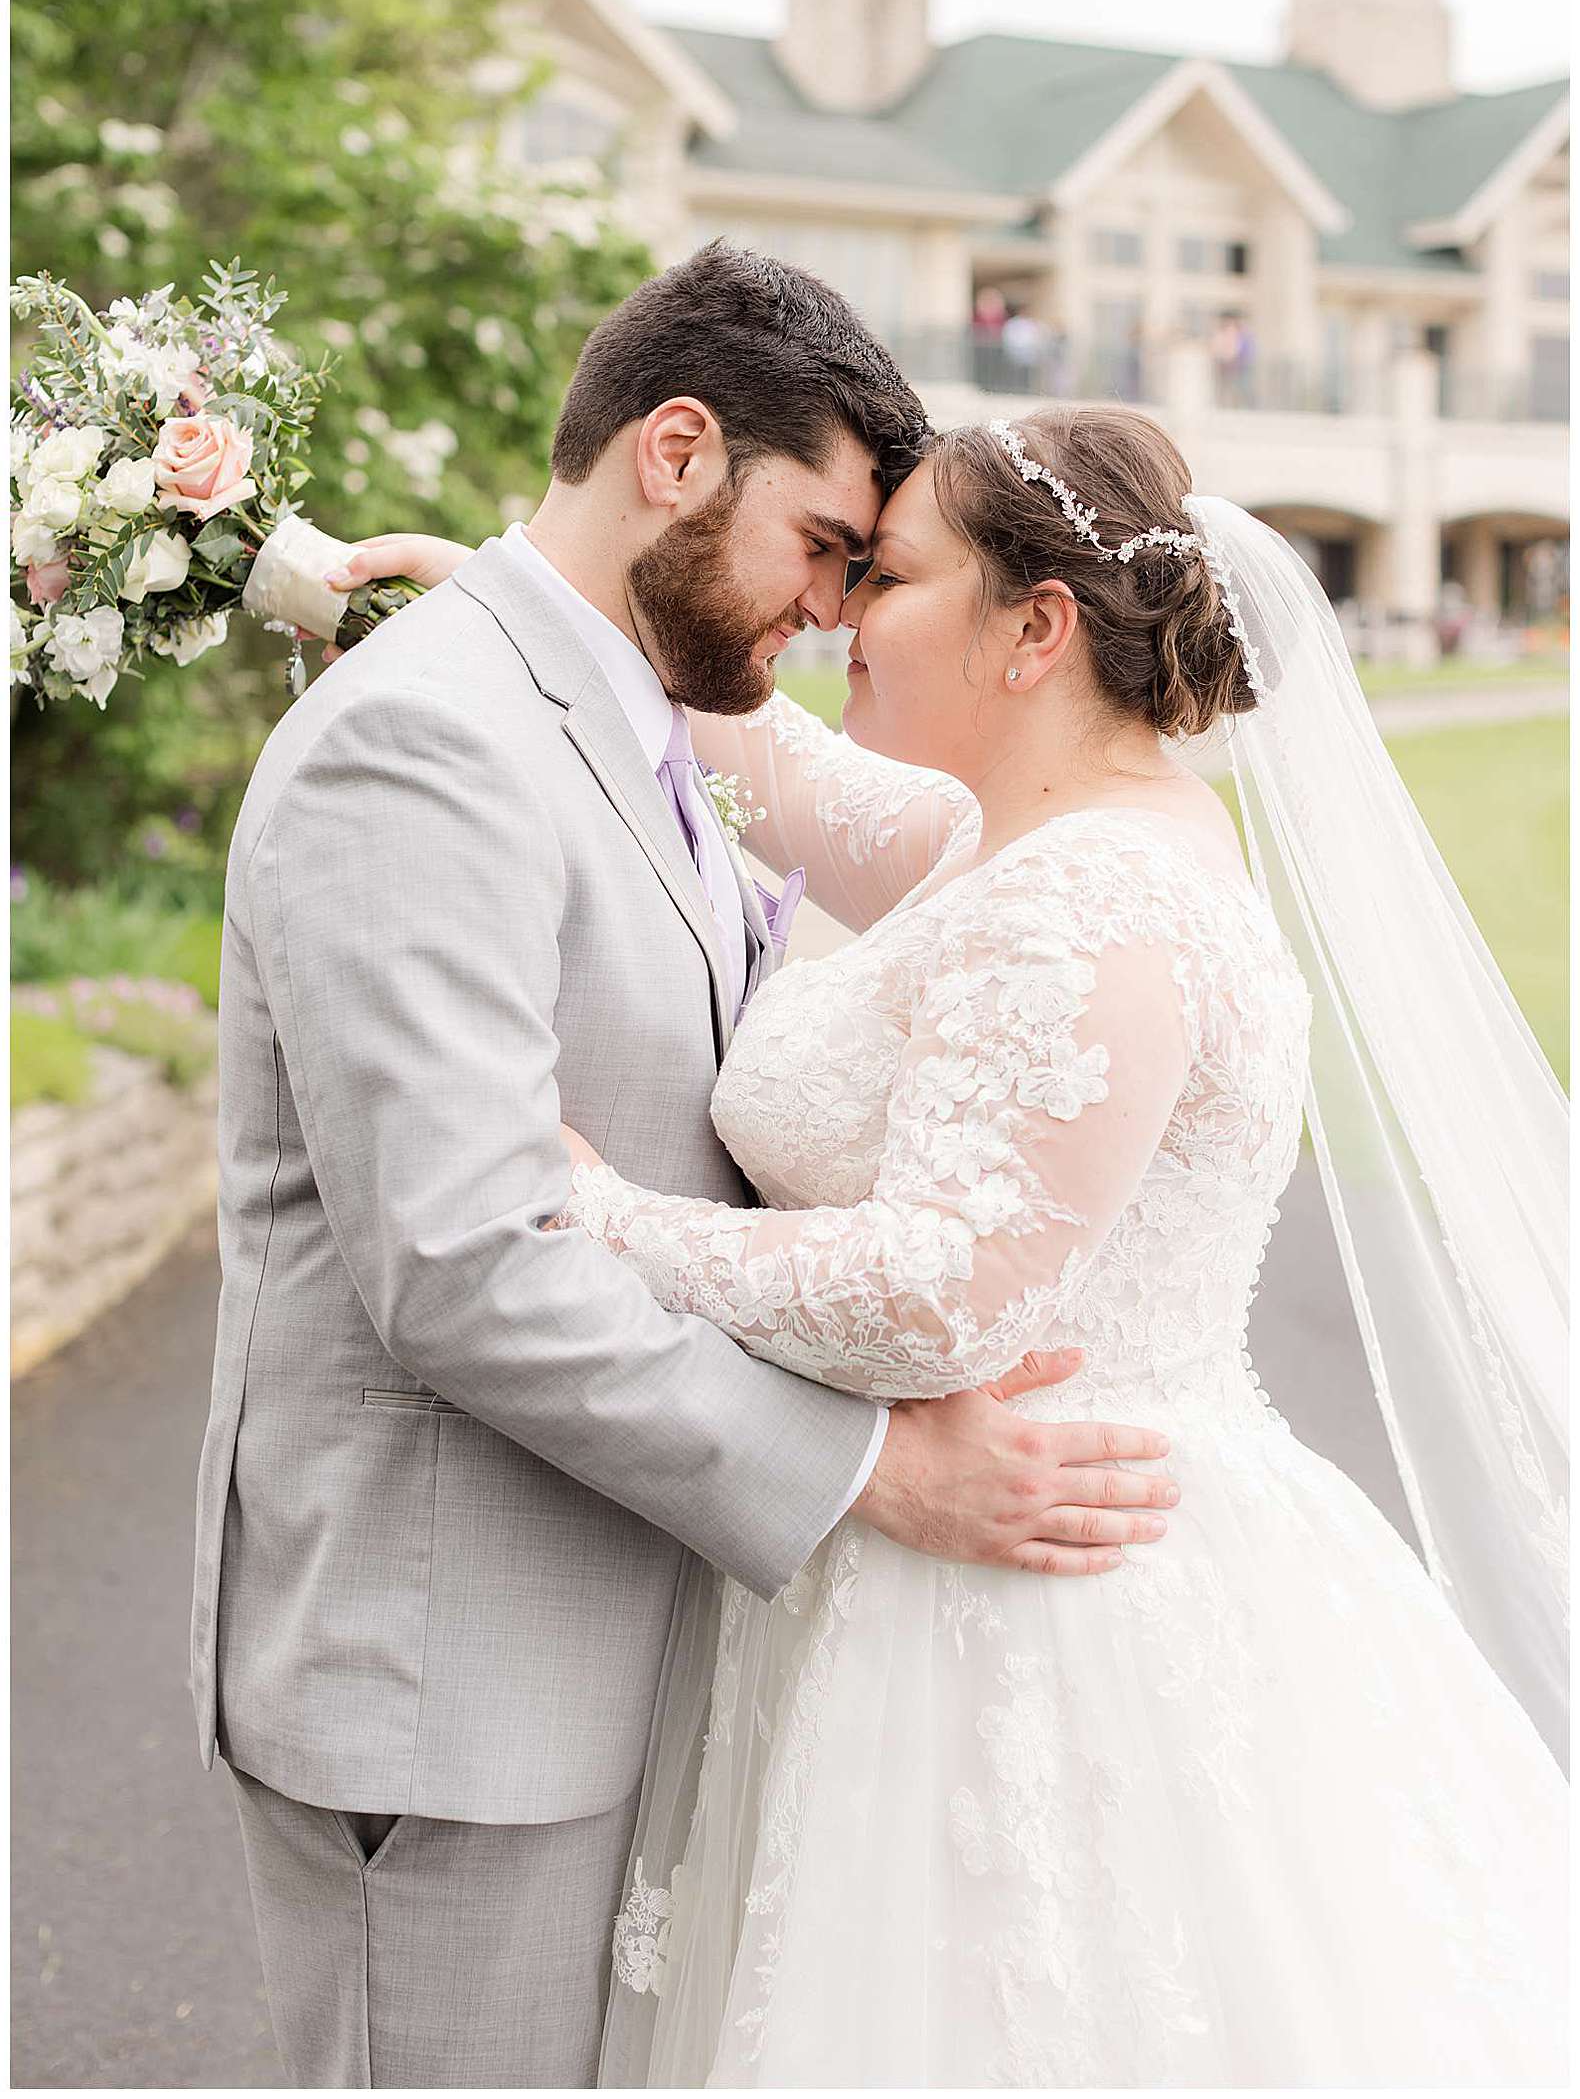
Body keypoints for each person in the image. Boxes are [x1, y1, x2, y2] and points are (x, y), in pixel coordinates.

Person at [336, 397, 1567, 2087]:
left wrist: (607, 1220)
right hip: (923, 1562)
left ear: (1036, 629)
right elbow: (768, 750)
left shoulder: (1097, 902)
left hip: (1035, 1606)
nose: (839, 613)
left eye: (888, 575)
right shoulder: (1019, 838)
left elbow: (940, 1297)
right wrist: (507, 594)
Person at [193, 246, 1182, 2091]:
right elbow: (467, 1266)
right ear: (674, 452)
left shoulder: (619, 720)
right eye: (822, 544)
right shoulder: (427, 741)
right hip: (446, 1691)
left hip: (607, 1640)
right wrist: (876, 1468)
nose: (831, 607)